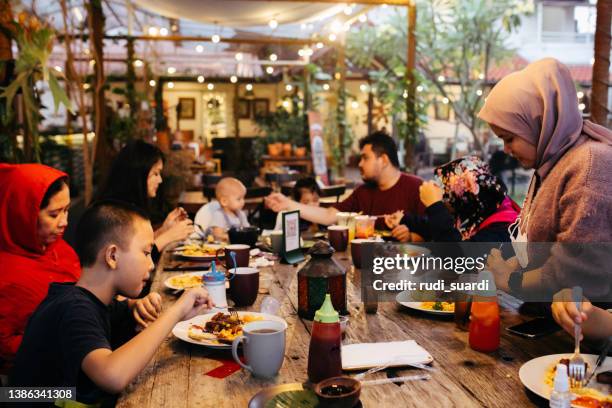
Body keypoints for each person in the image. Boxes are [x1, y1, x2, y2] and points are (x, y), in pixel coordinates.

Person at [10, 201, 213, 406]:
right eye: (145, 252)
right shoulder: (74, 309)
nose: (152, 264)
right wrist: (176, 311)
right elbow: (112, 376)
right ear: (112, 256)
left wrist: (138, 306)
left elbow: (125, 313)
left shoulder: (92, 301)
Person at [480, 58, 612, 299]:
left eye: (509, 138)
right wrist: (514, 265)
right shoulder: (554, 160)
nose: (506, 149)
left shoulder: (589, 166)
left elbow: (577, 276)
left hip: (583, 329)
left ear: (540, 122)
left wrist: (509, 279)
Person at [265, 131, 425, 241]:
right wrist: (288, 204)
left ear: (383, 160)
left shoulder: (417, 187)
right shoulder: (363, 192)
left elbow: (433, 234)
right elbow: (329, 216)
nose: (360, 164)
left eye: (365, 158)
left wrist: (410, 237)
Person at [0, 164, 81, 373]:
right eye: (54, 215)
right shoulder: (5, 275)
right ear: (24, 214)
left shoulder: (59, 248)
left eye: (67, 210)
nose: (65, 222)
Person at [98, 140, 194, 261]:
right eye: (155, 173)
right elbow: (130, 261)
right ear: (138, 174)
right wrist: (169, 236)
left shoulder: (130, 205)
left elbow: (138, 246)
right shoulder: (113, 214)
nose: (160, 180)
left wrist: (164, 229)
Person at [397, 156, 520, 242]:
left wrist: (435, 205)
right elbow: (435, 226)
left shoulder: (503, 228)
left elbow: (460, 259)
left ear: (462, 196)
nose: (443, 200)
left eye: (445, 193)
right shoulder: (475, 210)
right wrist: (403, 219)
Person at [194, 177, 250, 242]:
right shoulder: (219, 215)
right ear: (224, 201)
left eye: (243, 198)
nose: (243, 201)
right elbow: (217, 235)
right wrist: (234, 237)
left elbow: (247, 230)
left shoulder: (241, 214)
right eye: (239, 199)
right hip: (220, 247)